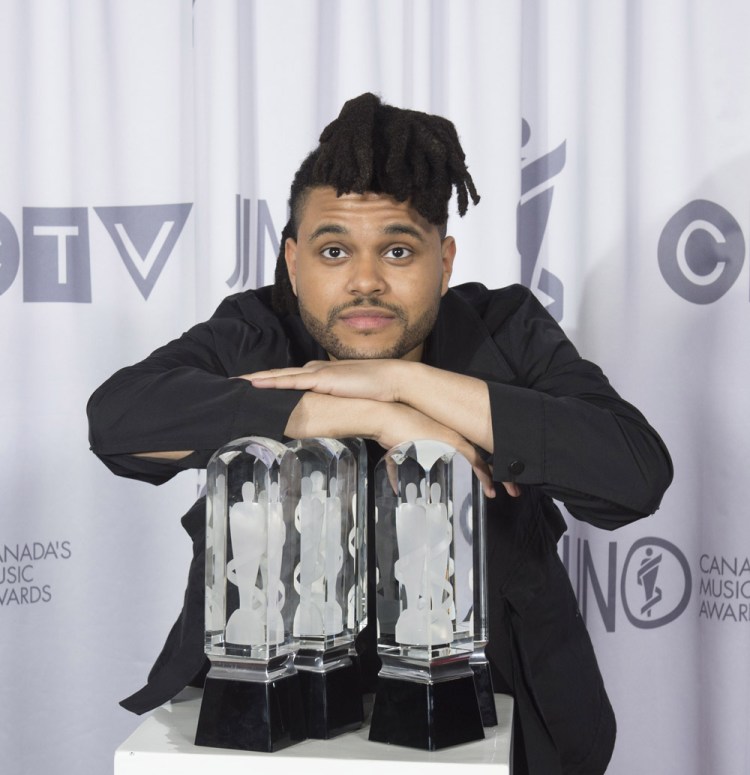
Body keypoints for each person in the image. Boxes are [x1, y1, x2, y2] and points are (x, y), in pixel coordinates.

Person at [87, 92, 672, 775]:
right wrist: (370, 415)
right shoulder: (254, 330)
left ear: (445, 262)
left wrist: (404, 383)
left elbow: (633, 472)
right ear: (295, 261)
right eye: (334, 250)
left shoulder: (505, 328)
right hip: (266, 721)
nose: (365, 280)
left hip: (501, 714)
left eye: (398, 249)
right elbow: (120, 421)